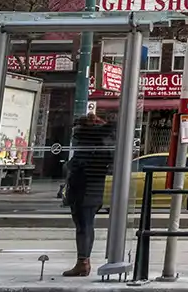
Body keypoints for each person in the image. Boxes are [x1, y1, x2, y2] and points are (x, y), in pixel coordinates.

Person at [63, 113, 114, 278]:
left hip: (83, 190)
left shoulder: (87, 143)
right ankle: (84, 261)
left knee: (83, 226)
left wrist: (69, 166)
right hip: (94, 190)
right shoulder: (102, 144)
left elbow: (79, 165)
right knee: (87, 225)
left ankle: (82, 262)